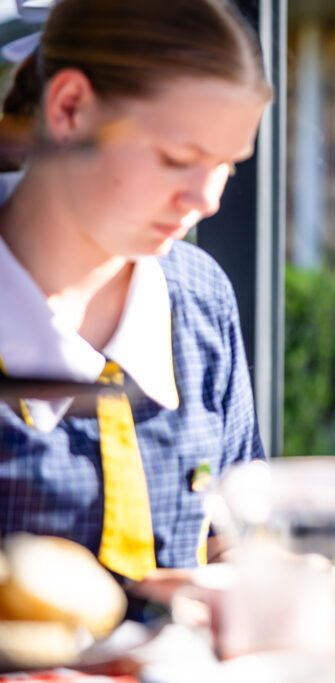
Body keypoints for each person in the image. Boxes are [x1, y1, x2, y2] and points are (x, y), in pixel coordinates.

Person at [0, 0, 270, 604]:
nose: (207, 199)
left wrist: (268, 580)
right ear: (69, 109)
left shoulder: (200, 296)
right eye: (178, 158)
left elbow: (231, 526)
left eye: (226, 164)